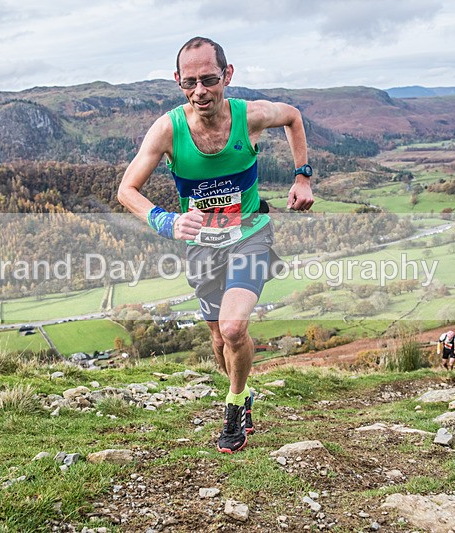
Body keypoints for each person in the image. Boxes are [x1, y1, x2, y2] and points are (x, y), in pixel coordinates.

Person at [118, 37, 313, 454]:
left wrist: (302, 176)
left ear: (227, 75)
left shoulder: (251, 116)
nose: (200, 91)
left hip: (250, 233)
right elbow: (127, 190)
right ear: (178, 81)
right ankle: (241, 391)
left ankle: (235, 403)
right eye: (189, 82)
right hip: (203, 246)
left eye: (209, 79)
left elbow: (293, 116)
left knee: (233, 328)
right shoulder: (168, 129)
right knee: (218, 339)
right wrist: (166, 219)